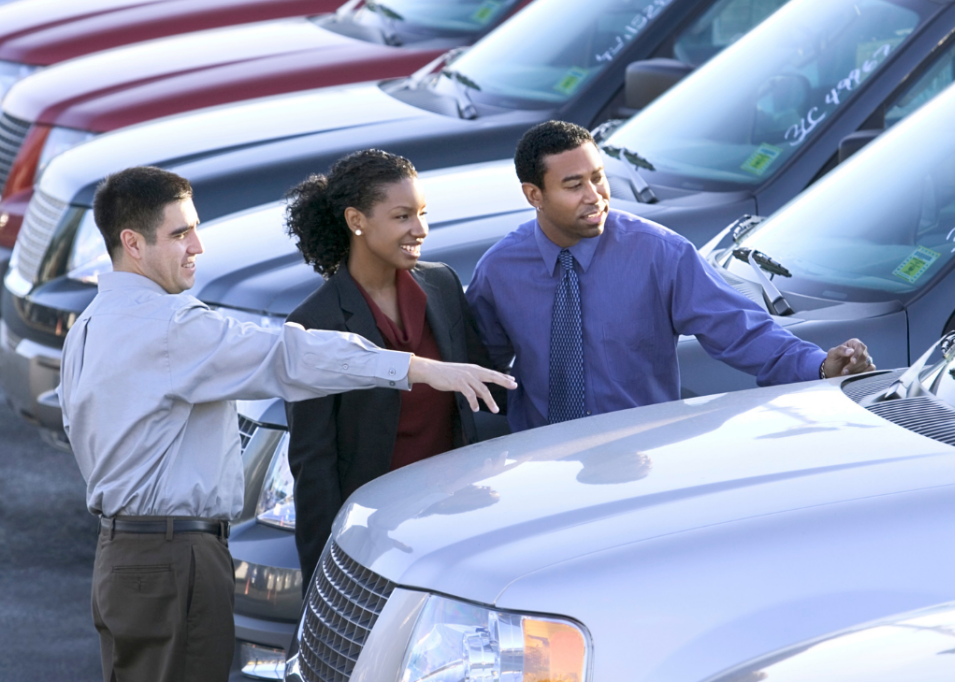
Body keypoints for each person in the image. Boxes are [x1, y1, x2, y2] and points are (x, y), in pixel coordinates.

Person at [57, 166, 514, 682]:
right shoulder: (170, 327)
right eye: (180, 233)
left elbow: (78, 427)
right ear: (132, 244)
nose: (197, 247)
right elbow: (288, 356)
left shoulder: (88, 326)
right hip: (173, 559)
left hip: (120, 558)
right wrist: (418, 367)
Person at [466, 121, 874, 432]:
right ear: (534, 195)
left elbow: (741, 331)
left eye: (597, 177)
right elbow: (477, 369)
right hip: (537, 467)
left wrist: (821, 367)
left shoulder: (659, 253)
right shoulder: (501, 270)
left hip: (640, 459)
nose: (594, 196)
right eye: (574, 185)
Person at [284, 149, 507, 590]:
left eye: (422, 214)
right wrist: (322, 580)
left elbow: (484, 396)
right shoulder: (315, 323)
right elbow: (314, 468)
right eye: (403, 216)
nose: (419, 230)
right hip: (377, 539)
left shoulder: (441, 284)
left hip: (452, 522)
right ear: (356, 220)